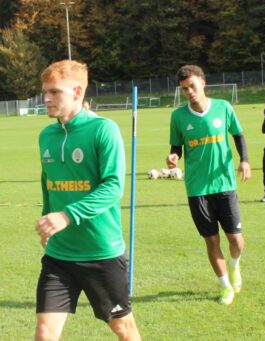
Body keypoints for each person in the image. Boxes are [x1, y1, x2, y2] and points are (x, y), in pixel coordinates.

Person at [35, 60, 141, 341]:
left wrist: (67, 215)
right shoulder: (46, 135)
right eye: (45, 91)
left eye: (54, 92)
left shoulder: (103, 130)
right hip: (59, 255)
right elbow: (49, 182)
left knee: (123, 329)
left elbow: (113, 186)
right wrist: (48, 217)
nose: (46, 98)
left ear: (77, 92)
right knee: (44, 334)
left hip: (101, 253)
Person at [166, 65, 251, 305]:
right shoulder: (178, 116)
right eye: (185, 89)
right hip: (197, 189)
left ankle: (235, 266)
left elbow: (238, 135)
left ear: (203, 83)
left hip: (224, 184)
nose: (190, 92)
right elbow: (176, 147)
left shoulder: (223, 107)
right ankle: (225, 286)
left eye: (193, 86)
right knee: (211, 240)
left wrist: (244, 160)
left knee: (236, 240)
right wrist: (173, 157)